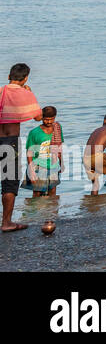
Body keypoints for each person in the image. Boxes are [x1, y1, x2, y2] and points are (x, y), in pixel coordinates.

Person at [1, 63, 43, 232]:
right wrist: (29, 93)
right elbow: (39, 117)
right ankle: (7, 222)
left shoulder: (1, 91)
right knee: (9, 184)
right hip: (10, 142)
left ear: (9, 77)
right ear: (25, 78)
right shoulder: (24, 93)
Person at [23, 106, 63, 196]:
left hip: (53, 165)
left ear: (55, 117)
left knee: (52, 192)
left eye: (51, 119)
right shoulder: (34, 132)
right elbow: (29, 152)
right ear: (41, 118)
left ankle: (51, 210)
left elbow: (59, 147)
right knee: (37, 193)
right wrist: (31, 169)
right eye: (46, 119)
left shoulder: (57, 129)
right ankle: (36, 210)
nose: (49, 122)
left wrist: (61, 163)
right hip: (38, 166)